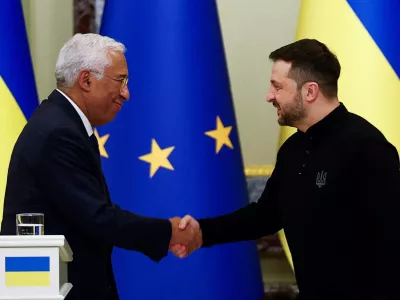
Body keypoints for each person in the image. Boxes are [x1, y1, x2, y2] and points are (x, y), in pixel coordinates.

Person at [171, 39, 400, 300]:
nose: (269, 96)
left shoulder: (367, 147)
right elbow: (266, 215)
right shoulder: (292, 148)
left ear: (310, 92)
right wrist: (202, 231)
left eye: (277, 87)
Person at [0, 33, 201, 300]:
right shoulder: (58, 133)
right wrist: (169, 232)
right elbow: (98, 217)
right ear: (86, 80)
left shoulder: (61, 123)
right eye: (120, 80)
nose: (126, 93)